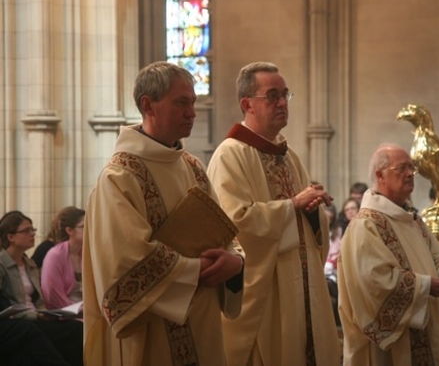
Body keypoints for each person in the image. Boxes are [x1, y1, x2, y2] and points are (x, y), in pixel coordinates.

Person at [83, 61, 244, 365]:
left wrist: (235, 262)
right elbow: (124, 261)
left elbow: (223, 231)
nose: (192, 112)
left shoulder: (193, 168)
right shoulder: (119, 177)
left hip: (203, 323)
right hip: (152, 333)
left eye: (193, 103)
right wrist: (196, 270)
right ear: (149, 105)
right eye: (182, 102)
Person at [207, 62, 341, 365]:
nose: (282, 103)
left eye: (285, 95)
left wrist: (311, 211)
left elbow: (308, 225)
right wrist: (292, 205)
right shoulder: (231, 154)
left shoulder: (288, 154)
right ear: (247, 104)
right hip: (267, 295)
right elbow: (233, 223)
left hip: (304, 285)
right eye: (272, 96)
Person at [338, 143, 439, 365]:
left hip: (427, 329)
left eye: (411, 169)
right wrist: (425, 286)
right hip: (392, 347)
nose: (409, 174)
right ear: (380, 175)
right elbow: (372, 283)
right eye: (402, 168)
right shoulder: (366, 225)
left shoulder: (411, 218)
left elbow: (434, 252)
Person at [0, 210, 83, 366]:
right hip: (20, 321)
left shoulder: (29, 264)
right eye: (26, 231)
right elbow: (6, 305)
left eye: (33, 230)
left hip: (36, 316)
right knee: (32, 334)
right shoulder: (2, 265)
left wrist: (46, 312)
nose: (32, 234)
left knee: (74, 328)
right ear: (10, 237)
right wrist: (35, 315)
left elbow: (38, 299)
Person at [41, 206, 85, 310]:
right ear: (70, 230)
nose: (91, 230)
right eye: (84, 226)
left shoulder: (89, 253)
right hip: (64, 314)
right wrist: (79, 311)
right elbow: (53, 295)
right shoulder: (55, 255)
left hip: (86, 311)